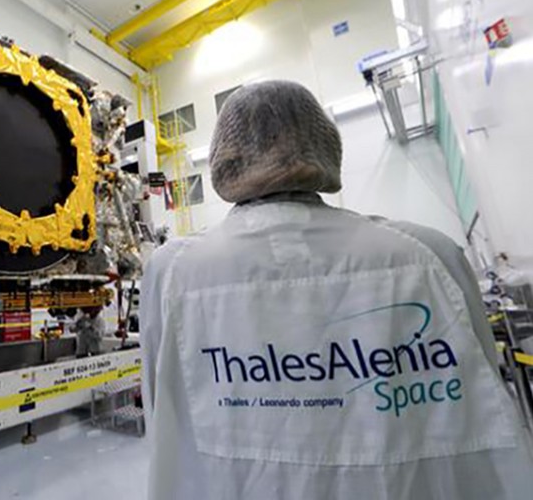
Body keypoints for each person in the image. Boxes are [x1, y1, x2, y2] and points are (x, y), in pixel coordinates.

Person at [140, 81, 533, 500]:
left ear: (226, 158)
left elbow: (158, 407)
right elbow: (484, 392)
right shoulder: (429, 255)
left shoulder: (173, 272)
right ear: (324, 142)